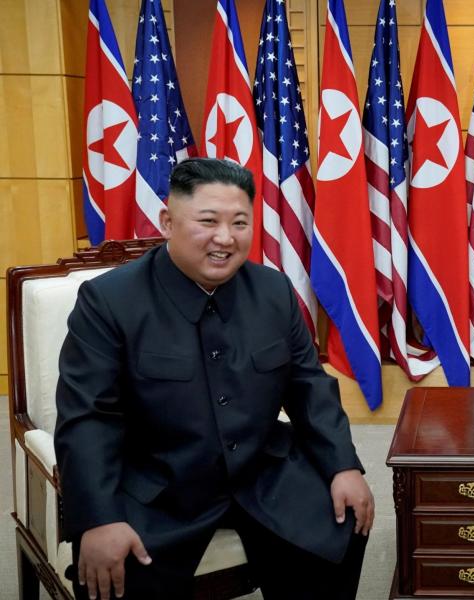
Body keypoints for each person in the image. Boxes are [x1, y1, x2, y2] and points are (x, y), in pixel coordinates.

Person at [55, 158, 374, 600]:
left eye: (240, 222)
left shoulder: (273, 291)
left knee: (344, 522)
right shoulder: (108, 301)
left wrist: (344, 465)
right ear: (168, 221)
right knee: (116, 571)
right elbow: (88, 416)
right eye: (208, 221)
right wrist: (97, 517)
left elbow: (308, 386)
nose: (225, 238)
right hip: (158, 485)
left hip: (261, 470)